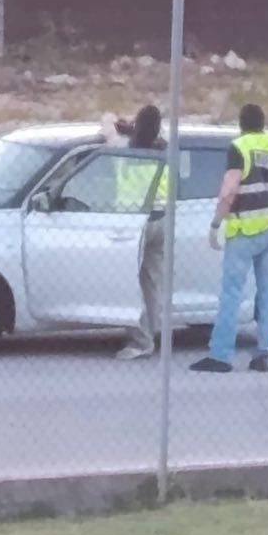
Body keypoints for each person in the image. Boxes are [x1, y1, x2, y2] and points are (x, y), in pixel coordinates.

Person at [191, 103, 268, 374]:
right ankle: (263, 354)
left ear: (241, 124)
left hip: (243, 233)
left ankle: (221, 356)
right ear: (263, 124)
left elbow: (229, 191)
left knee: (231, 293)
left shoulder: (239, 147)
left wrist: (215, 224)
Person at [108, 105, 170, 362]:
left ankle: (140, 341)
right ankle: (150, 336)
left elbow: (108, 123)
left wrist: (123, 122)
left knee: (130, 284)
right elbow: (158, 131)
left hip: (134, 224)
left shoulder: (126, 150)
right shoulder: (164, 149)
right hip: (161, 219)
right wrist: (137, 124)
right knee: (150, 284)